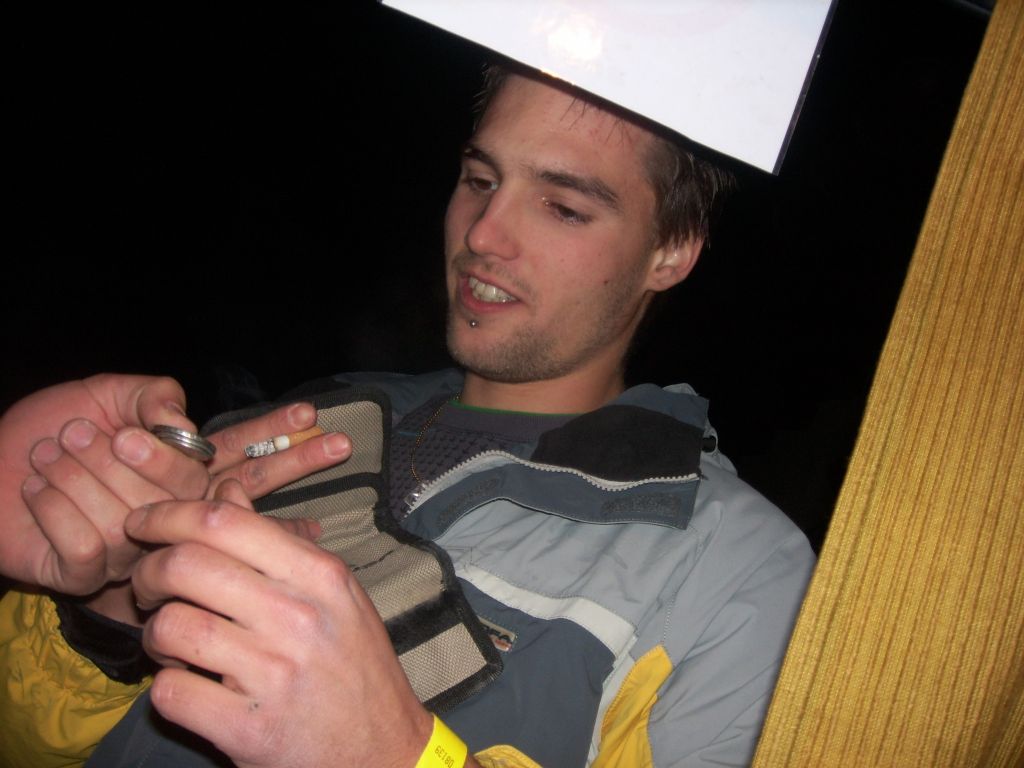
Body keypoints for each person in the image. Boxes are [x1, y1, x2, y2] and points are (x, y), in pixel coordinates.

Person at [0, 64, 815, 767]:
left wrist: (392, 752)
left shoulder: (731, 567)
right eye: (481, 180)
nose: (484, 234)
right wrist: (108, 609)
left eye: (563, 207)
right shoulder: (311, 419)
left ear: (670, 251)